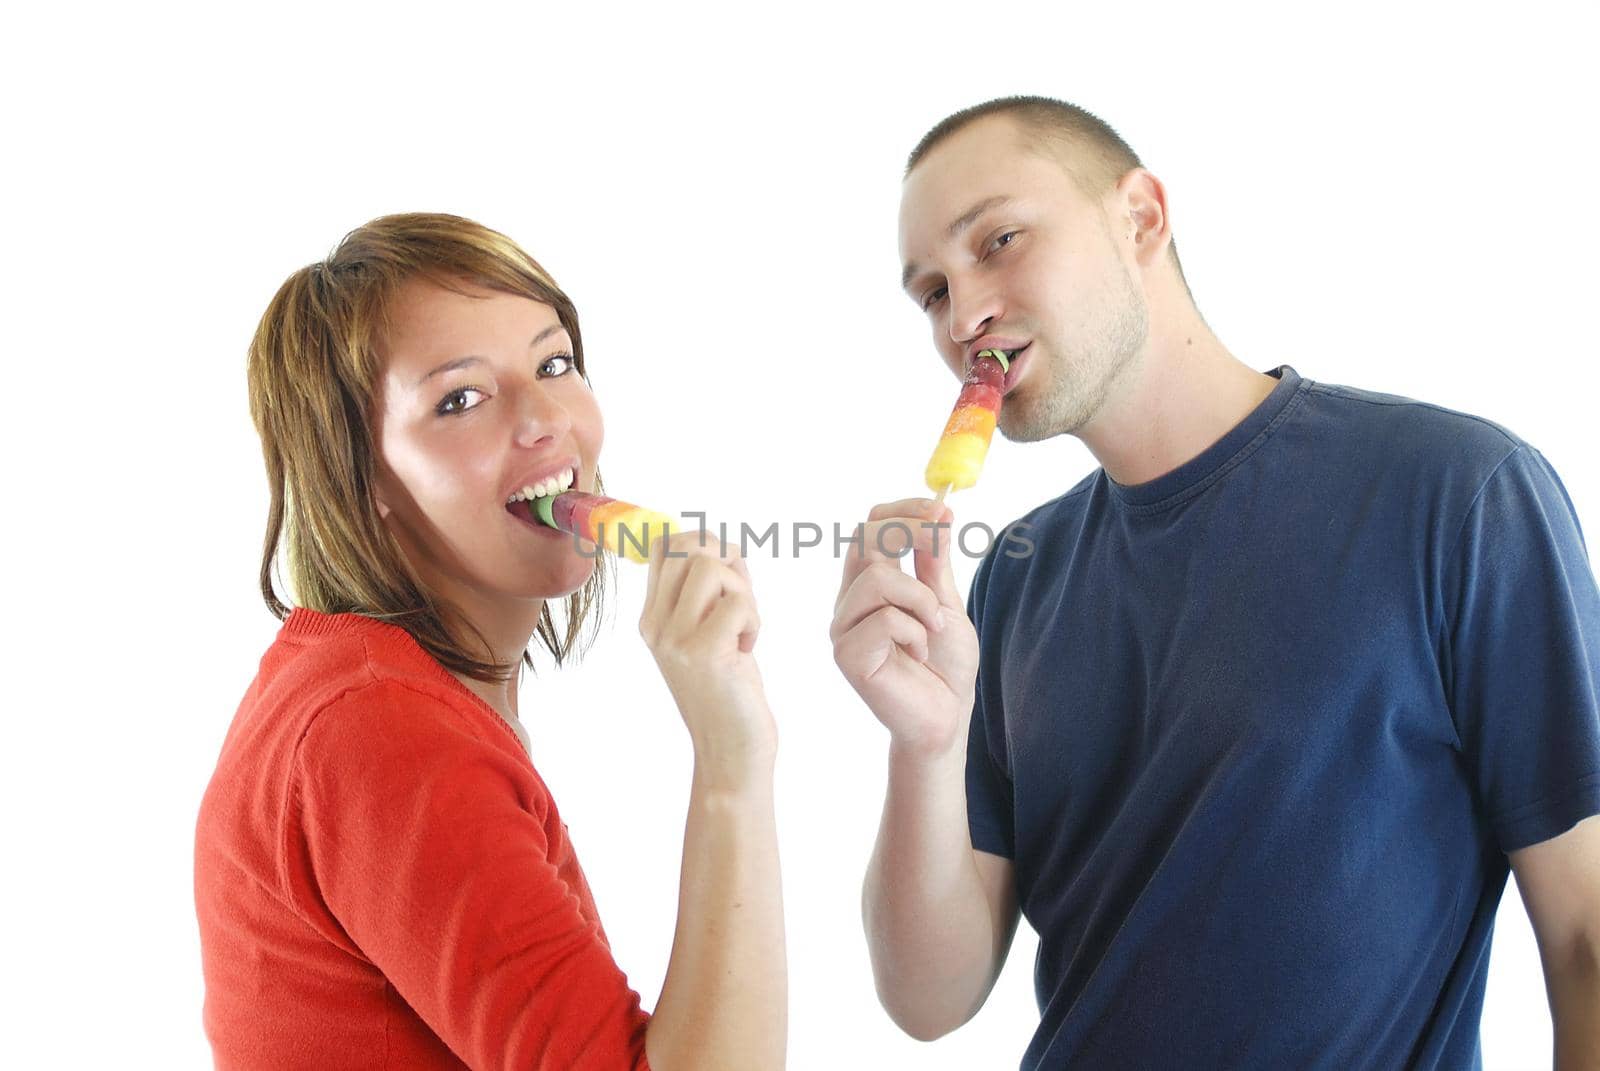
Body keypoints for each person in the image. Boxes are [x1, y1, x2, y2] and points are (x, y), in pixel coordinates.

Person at [831, 96, 1600, 1068]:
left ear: (1140, 217)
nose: (964, 314)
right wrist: (924, 746)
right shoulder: (1015, 579)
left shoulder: (1454, 495)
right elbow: (927, 997)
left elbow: (1585, 939)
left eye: (999, 240)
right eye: (932, 291)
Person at [195, 213, 785, 1070]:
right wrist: (735, 764)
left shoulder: (372, 692)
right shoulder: (382, 732)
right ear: (363, 481)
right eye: (461, 398)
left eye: (554, 363)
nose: (548, 420)